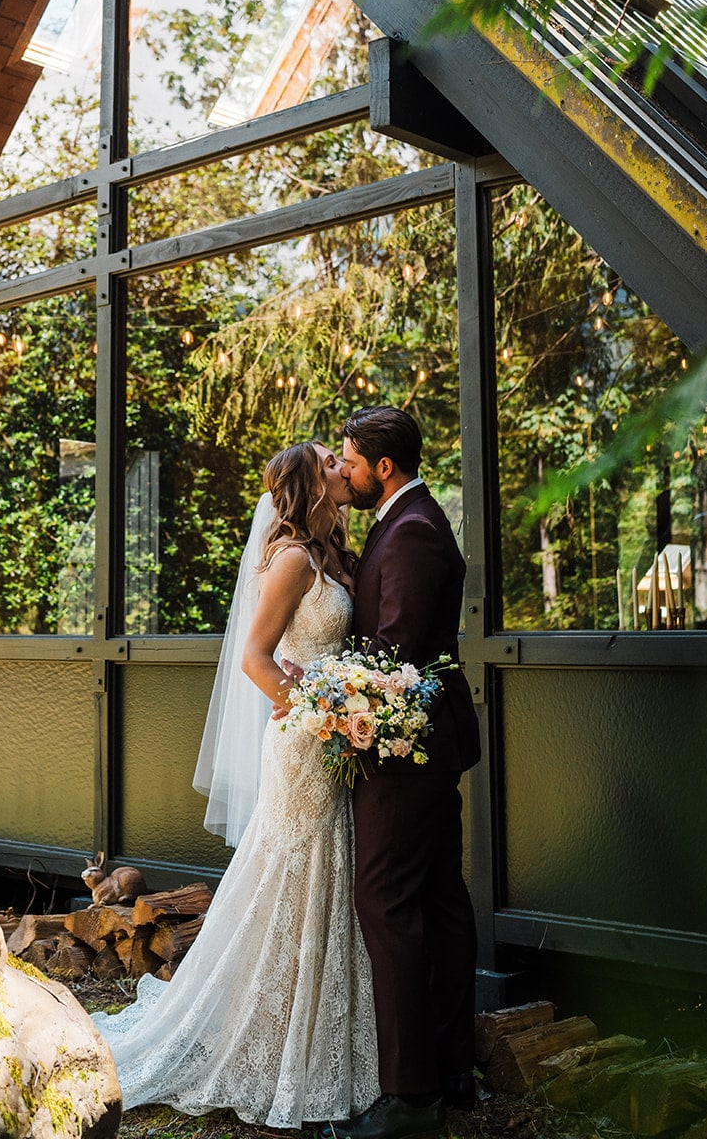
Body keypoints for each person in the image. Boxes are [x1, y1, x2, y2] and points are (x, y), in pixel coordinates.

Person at [92, 441, 380, 1129]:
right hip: (305, 745)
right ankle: (272, 1038)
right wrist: (319, 709)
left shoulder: (324, 553)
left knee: (325, 881)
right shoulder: (288, 559)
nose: (343, 471)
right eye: (331, 465)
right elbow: (256, 658)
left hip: (328, 742)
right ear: (311, 485)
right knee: (292, 880)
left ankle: (314, 1034)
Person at [331, 405, 481, 1139]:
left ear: (381, 468)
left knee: (386, 903)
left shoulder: (413, 531)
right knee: (438, 900)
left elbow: (392, 659)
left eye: (350, 461)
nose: (345, 472)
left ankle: (410, 1099)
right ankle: (453, 1070)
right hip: (418, 743)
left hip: (404, 747)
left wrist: (333, 707)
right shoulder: (402, 522)